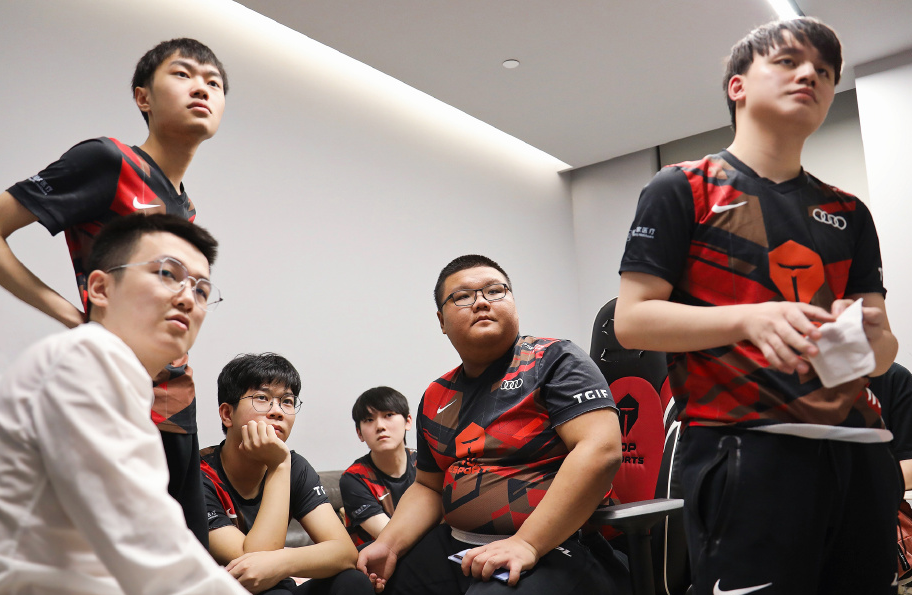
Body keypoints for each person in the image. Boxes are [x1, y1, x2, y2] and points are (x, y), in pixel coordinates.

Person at [615, 17, 901, 595]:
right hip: (746, 450)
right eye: (789, 62)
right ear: (737, 86)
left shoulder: (849, 212)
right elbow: (633, 320)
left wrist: (869, 340)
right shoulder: (682, 187)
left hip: (861, 454)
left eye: (825, 71)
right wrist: (749, 317)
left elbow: (882, 353)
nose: (810, 75)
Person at [0, 38, 228, 546]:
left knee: (185, 556)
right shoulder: (109, 161)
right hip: (115, 402)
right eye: (183, 74)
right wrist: (70, 314)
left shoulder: (184, 207)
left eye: (214, 83)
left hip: (177, 408)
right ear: (143, 96)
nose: (202, 88)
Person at [0, 213, 246, 594]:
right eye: (167, 273)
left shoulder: (123, 378)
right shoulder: (84, 359)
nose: (187, 298)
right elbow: (150, 547)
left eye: (201, 291)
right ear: (100, 288)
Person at [357, 254, 630, 594]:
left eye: (495, 291)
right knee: (365, 586)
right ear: (442, 321)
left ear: (513, 301)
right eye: (463, 296)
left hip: (559, 544)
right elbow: (428, 486)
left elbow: (601, 451)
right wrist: (389, 544)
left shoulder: (555, 360)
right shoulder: (437, 395)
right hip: (458, 545)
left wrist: (527, 543)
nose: (482, 302)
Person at [201, 352, 373, 595]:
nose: (278, 411)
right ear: (228, 414)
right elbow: (253, 568)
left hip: (281, 583)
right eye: (262, 398)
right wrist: (278, 465)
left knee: (353, 581)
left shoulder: (295, 466)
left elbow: (345, 552)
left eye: (287, 401)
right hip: (226, 590)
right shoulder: (198, 475)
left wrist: (285, 560)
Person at [340, 387, 417, 545]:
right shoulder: (354, 478)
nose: (380, 426)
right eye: (369, 420)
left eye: (388, 415)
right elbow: (393, 539)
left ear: (408, 421)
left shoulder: (427, 464)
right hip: (380, 557)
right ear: (359, 433)